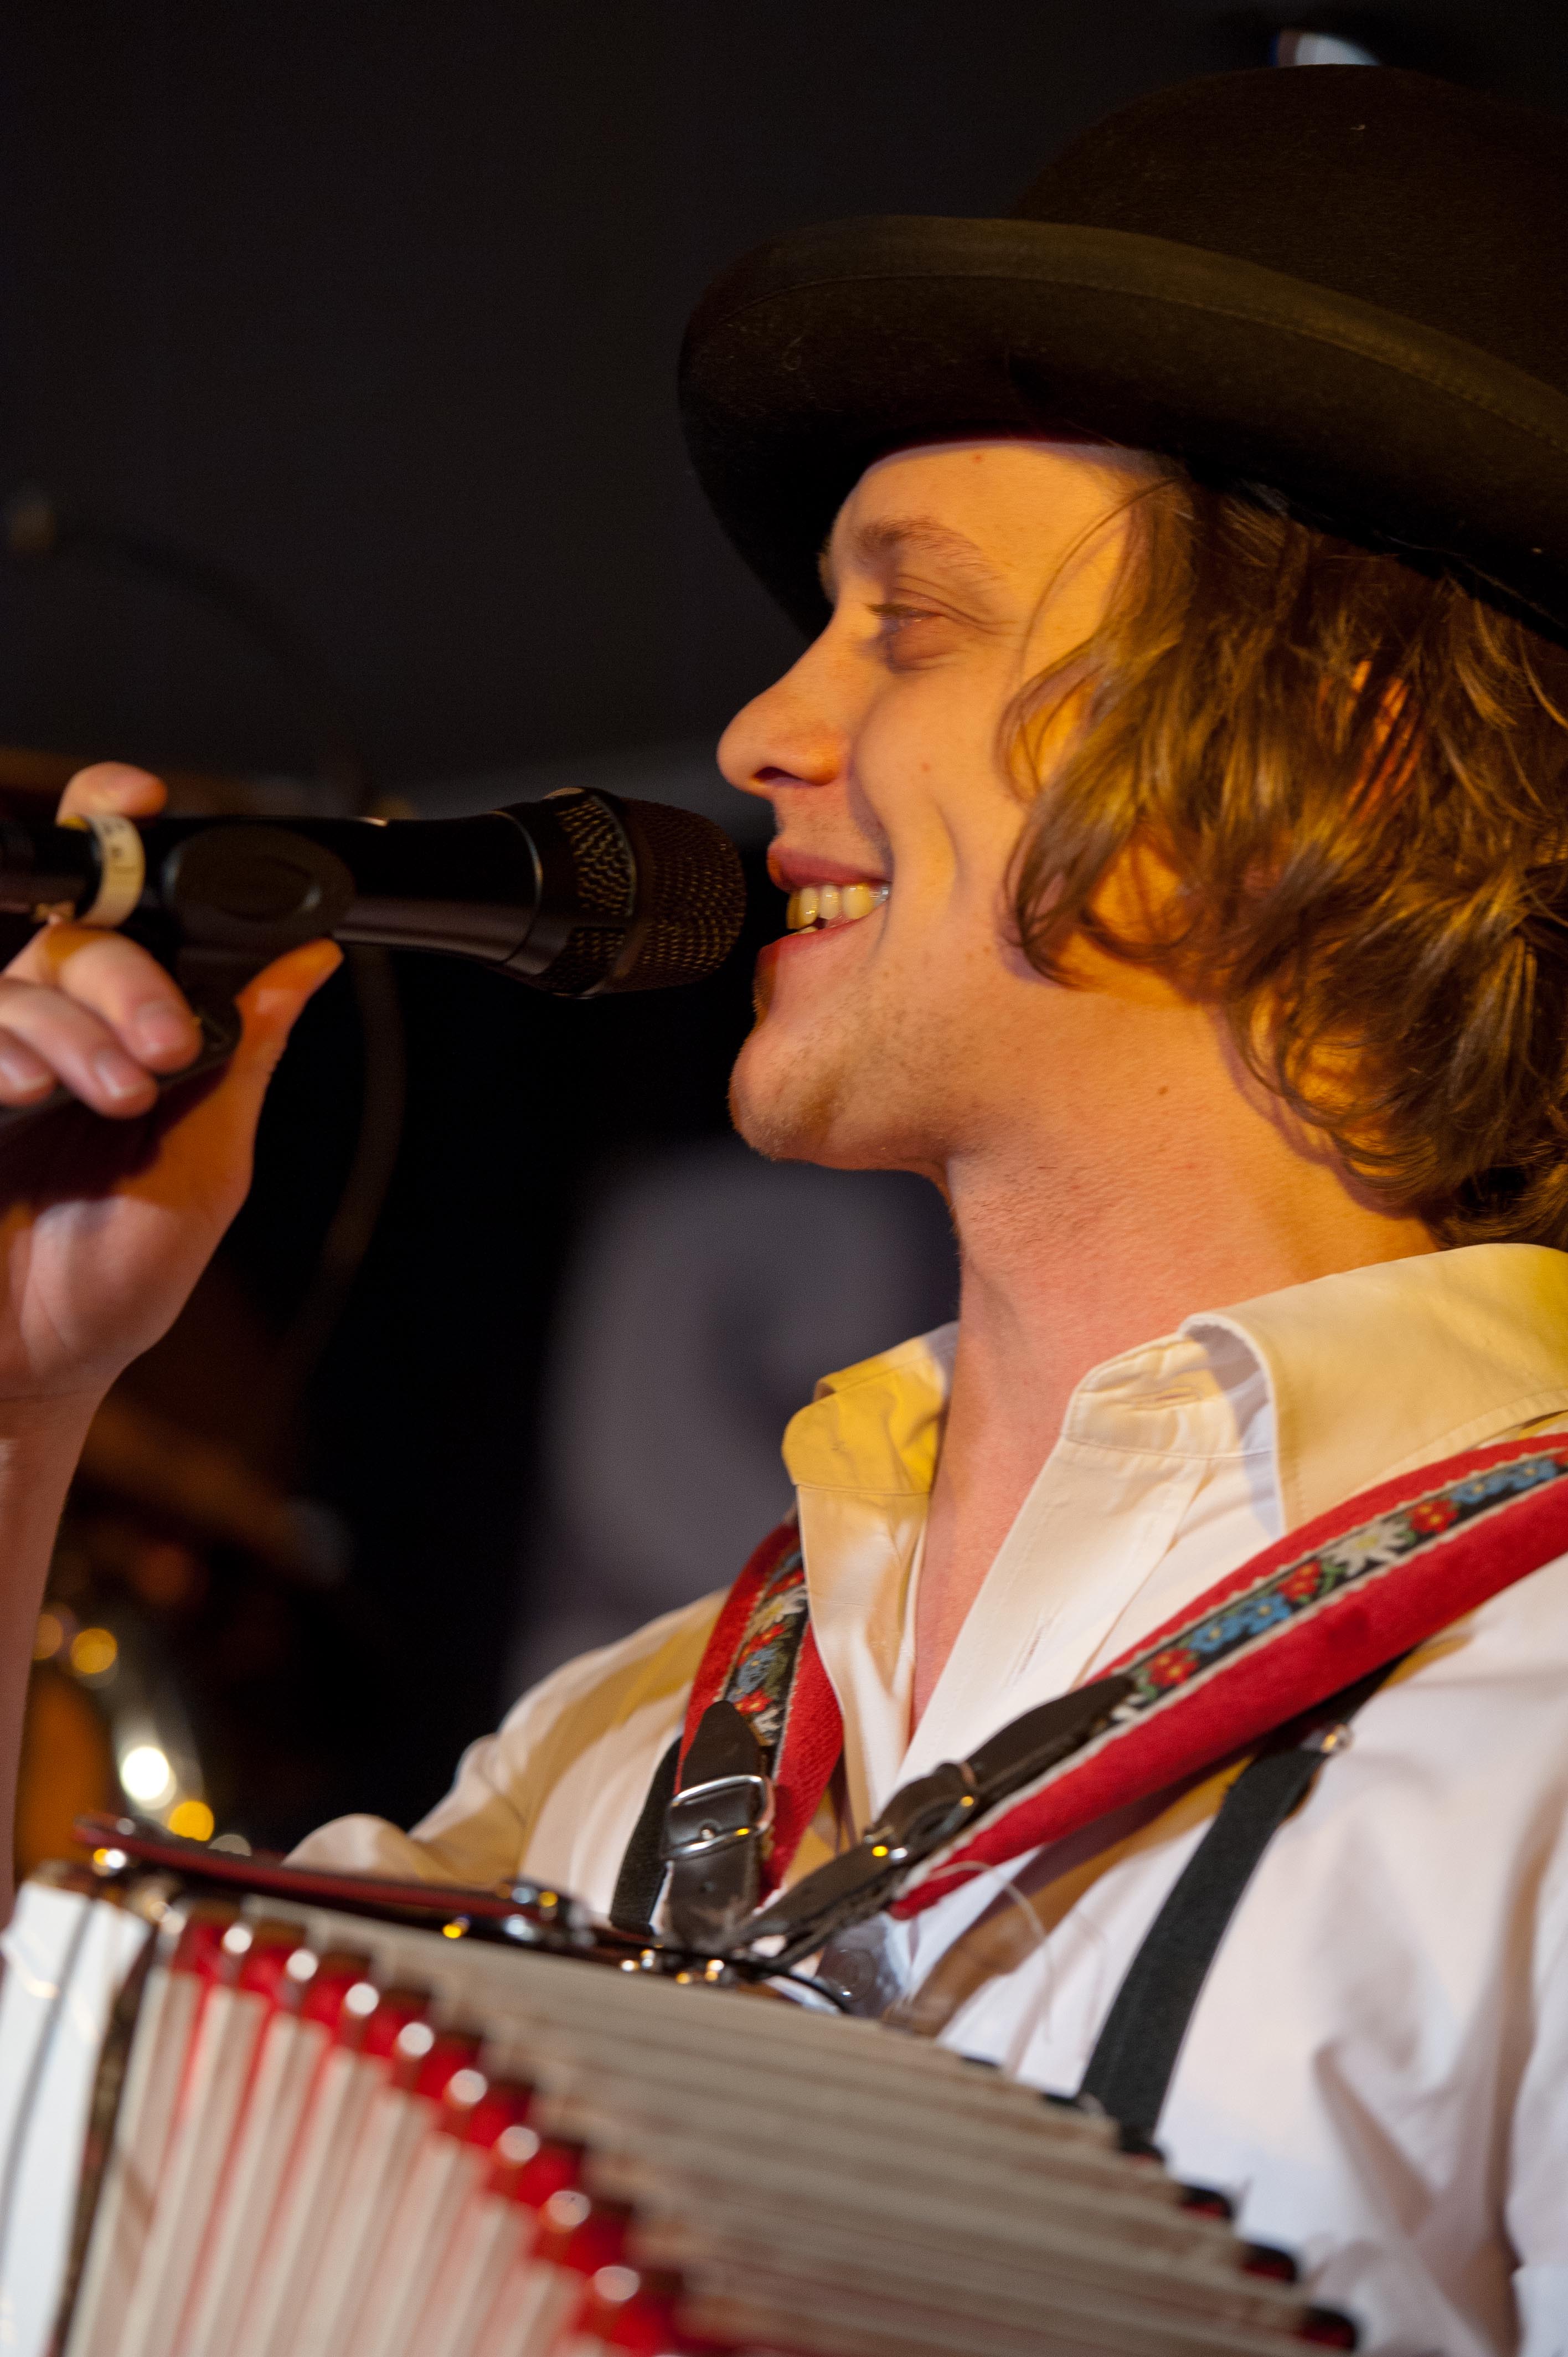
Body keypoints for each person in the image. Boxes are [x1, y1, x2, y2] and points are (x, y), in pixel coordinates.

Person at [0, 61, 1565, 2353]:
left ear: (1341, 736)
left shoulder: (1535, 1730)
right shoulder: (625, 1749)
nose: (756, 733)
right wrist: (17, 1396)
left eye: (907, 626)